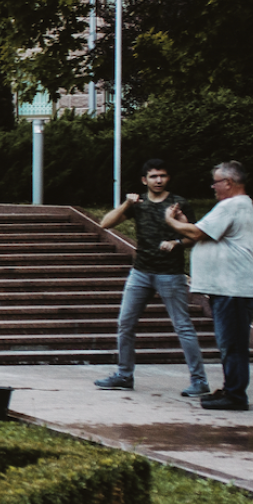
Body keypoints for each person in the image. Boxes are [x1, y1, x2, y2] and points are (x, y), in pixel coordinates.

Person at [92, 159, 210, 396]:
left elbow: (195, 235)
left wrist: (176, 242)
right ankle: (124, 375)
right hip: (140, 272)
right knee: (125, 322)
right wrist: (126, 203)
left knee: (182, 326)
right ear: (144, 180)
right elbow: (105, 223)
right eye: (153, 176)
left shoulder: (179, 203)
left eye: (163, 176)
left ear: (168, 179)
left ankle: (199, 381)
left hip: (170, 274)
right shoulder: (139, 204)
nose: (158, 180)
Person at [164, 161, 253, 411]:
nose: (213, 186)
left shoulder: (233, 204)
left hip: (234, 288)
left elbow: (197, 234)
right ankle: (232, 389)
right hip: (228, 288)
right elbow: (202, 232)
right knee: (230, 343)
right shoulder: (235, 205)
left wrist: (171, 221)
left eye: (216, 182)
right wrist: (185, 222)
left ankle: (235, 395)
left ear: (228, 183)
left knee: (232, 344)